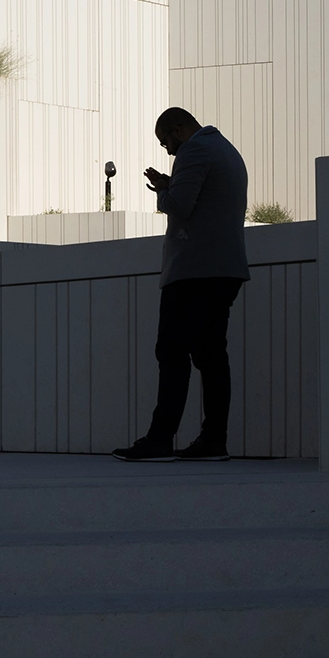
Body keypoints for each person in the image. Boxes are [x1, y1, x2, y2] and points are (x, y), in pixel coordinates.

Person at [114, 107, 249, 462]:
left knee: (172, 352)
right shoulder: (225, 150)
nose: (168, 151)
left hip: (194, 272)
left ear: (177, 129)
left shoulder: (195, 150)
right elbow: (205, 200)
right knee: (210, 355)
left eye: (166, 142)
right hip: (225, 269)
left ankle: (160, 440)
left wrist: (163, 191)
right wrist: (171, 184)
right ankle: (213, 440)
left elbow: (180, 206)